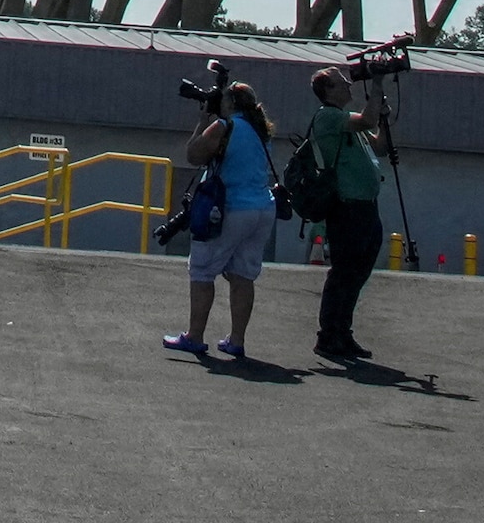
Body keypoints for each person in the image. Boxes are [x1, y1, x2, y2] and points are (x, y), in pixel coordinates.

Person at [161, 79, 281, 363]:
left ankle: (194, 337)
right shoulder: (261, 130)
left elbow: (193, 155)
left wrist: (203, 121)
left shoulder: (225, 127)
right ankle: (236, 341)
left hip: (230, 209)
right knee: (242, 275)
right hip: (262, 208)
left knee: (202, 270)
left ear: (229, 104)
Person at [302, 65, 390, 362]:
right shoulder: (329, 116)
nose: (350, 87)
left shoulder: (348, 123)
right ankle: (328, 336)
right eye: (342, 84)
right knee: (344, 273)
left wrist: (385, 118)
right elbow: (367, 118)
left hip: (365, 207)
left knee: (358, 273)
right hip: (346, 207)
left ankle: (342, 332)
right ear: (327, 91)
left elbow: (381, 146)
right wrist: (376, 85)